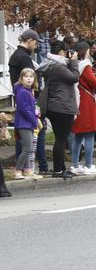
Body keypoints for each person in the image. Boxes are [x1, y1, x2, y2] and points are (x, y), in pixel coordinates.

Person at [37, 40, 81, 179]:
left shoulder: (51, 64)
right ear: (62, 52)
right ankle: (58, 170)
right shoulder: (58, 67)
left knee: (60, 139)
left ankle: (61, 168)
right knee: (61, 140)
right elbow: (74, 77)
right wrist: (74, 61)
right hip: (61, 106)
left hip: (55, 105)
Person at [9, 29, 49, 175]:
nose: (37, 45)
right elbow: (30, 79)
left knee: (24, 139)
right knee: (35, 135)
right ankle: (32, 167)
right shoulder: (24, 58)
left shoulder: (16, 55)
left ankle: (27, 168)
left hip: (21, 97)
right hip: (28, 98)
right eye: (36, 42)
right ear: (29, 40)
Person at [69, 41, 96, 175]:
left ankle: (75, 164)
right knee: (90, 134)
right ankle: (89, 165)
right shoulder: (85, 66)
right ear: (84, 51)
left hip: (78, 100)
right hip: (87, 102)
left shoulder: (74, 65)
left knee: (78, 135)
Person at [13, 69, 42, 180]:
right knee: (27, 149)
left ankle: (28, 170)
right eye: (26, 76)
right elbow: (24, 109)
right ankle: (18, 171)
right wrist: (34, 121)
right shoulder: (22, 92)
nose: (29, 78)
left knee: (28, 148)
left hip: (28, 123)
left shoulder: (28, 90)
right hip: (24, 124)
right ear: (21, 78)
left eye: (31, 76)